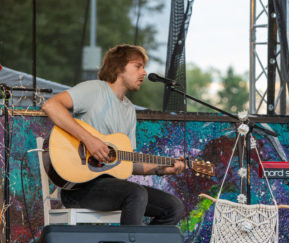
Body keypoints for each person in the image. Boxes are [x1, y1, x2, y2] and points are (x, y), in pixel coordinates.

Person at [42, 44, 185, 226]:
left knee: (173, 207)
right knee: (136, 193)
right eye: (138, 66)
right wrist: (89, 140)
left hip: (113, 188)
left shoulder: (129, 110)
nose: (144, 72)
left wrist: (160, 169)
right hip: (78, 188)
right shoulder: (95, 90)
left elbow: (129, 163)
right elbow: (51, 106)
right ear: (119, 67)